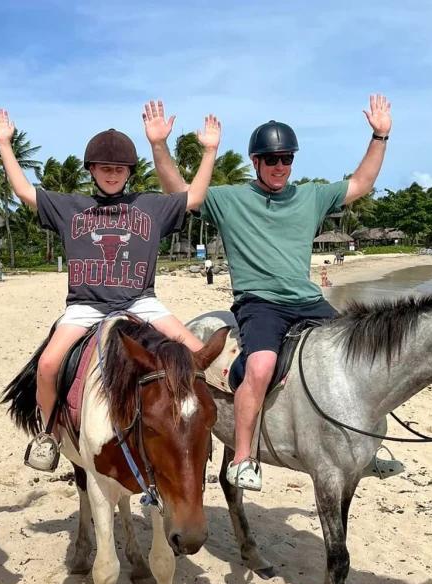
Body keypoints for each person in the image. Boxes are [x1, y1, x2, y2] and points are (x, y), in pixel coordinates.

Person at [148, 95, 402, 490]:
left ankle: (368, 448)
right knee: (262, 366)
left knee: (364, 356)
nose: (280, 166)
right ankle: (244, 457)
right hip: (260, 304)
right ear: (255, 162)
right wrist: (160, 145)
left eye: (287, 159)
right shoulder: (229, 199)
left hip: (308, 300)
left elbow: (362, 182)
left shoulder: (312, 196)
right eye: (272, 159)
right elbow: (178, 191)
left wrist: (380, 135)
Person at [0, 107, 220, 471]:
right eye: (104, 168)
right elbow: (22, 190)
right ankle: (48, 435)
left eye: (119, 169)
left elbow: (193, 197)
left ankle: (196, 432)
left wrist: (209, 151)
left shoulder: (149, 206)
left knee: (199, 354)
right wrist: (4, 143)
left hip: (142, 302)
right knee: (49, 363)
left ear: (129, 172)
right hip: (86, 306)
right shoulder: (71, 207)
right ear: (91, 171)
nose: (112, 175)